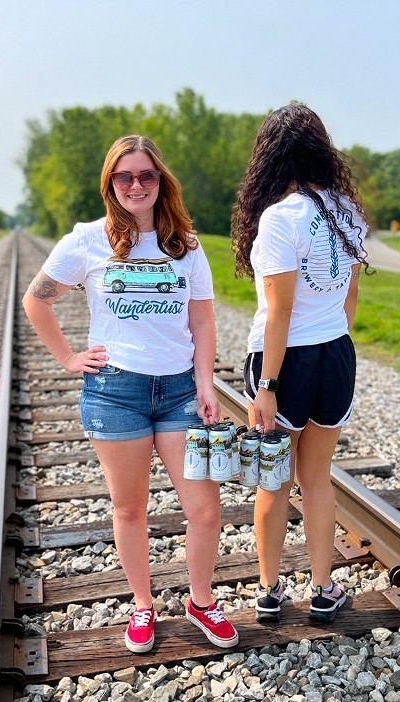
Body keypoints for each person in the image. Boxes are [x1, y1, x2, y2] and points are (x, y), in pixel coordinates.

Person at [23, 135, 238, 653]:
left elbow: (203, 320)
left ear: (161, 181)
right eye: (125, 176)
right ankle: (143, 606)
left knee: (205, 509)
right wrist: (69, 358)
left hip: (180, 391)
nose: (136, 184)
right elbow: (37, 301)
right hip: (115, 391)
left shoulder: (185, 244)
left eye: (146, 175)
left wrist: (206, 383)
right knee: (130, 509)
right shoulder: (87, 240)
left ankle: (201, 602)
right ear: (110, 184)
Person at [231, 102, 370, 624]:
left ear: (270, 157)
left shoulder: (279, 218)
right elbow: (350, 296)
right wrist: (337, 343)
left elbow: (280, 313)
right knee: (316, 476)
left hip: (286, 361)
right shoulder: (347, 213)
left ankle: (268, 593)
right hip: (336, 353)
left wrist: (266, 384)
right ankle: (321, 588)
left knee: (274, 479)